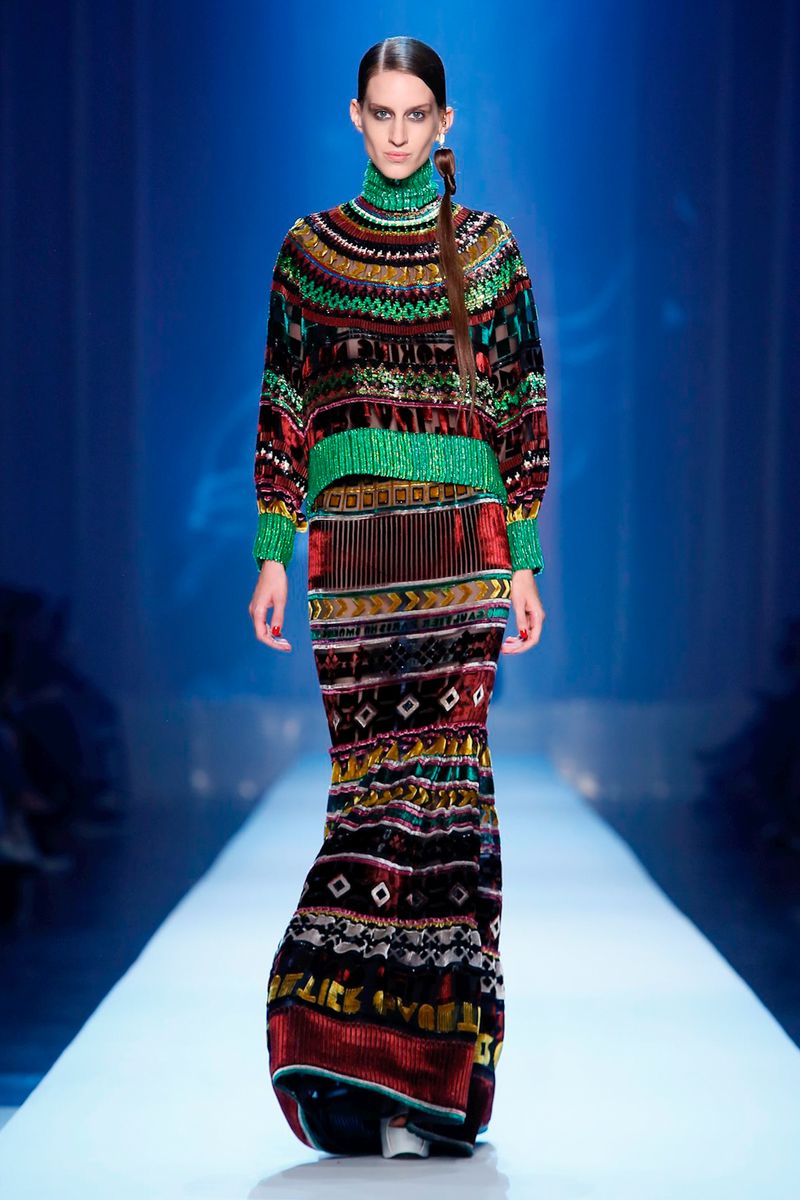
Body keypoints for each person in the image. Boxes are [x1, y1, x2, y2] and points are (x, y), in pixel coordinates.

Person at [247, 36, 550, 1159]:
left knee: (445, 801)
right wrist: (272, 548)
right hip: (353, 562)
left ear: (445, 122)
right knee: (371, 800)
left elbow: (520, 402)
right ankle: (349, 1060)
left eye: (417, 114)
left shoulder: (488, 250)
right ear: (354, 116)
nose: (398, 132)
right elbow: (283, 401)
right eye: (382, 113)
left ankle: (421, 1080)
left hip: (464, 553)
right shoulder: (308, 251)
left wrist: (524, 557)